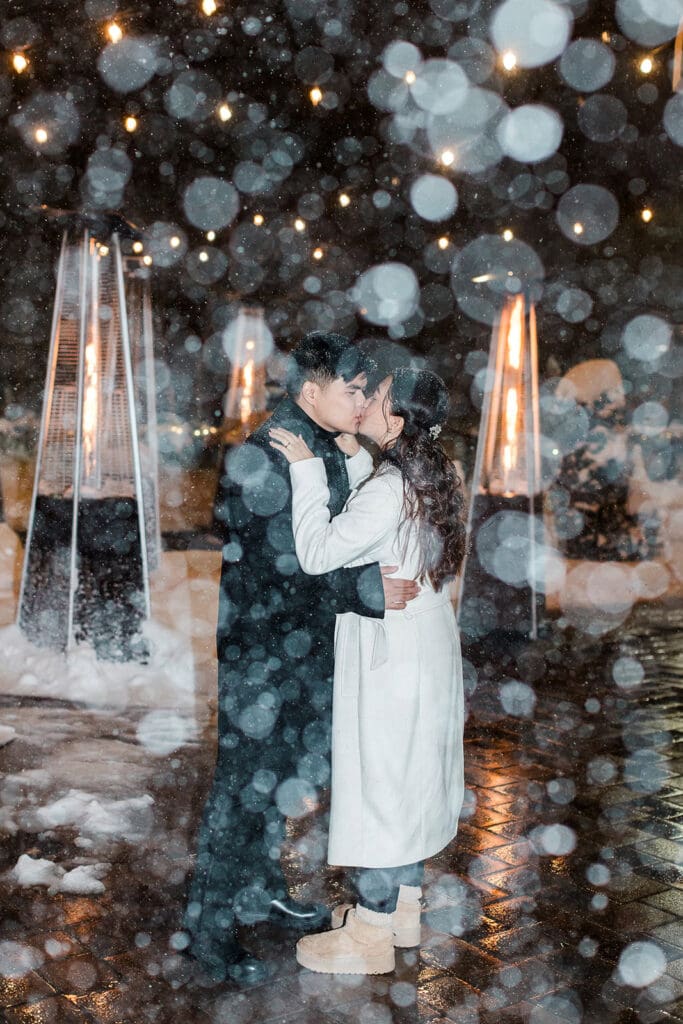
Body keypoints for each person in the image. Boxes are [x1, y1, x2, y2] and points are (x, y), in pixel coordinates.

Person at [184, 333, 419, 985]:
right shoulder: (264, 454)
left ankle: (262, 892)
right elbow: (279, 564)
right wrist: (363, 587)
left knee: (274, 784)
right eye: (352, 390)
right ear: (311, 391)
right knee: (242, 791)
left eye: (367, 391)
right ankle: (207, 931)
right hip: (262, 657)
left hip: (301, 651)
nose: (363, 401)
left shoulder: (324, 444)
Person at [269, 366, 467, 975]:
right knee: (410, 781)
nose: (363, 402)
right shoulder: (429, 474)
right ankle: (402, 910)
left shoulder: (392, 488)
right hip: (426, 645)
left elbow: (318, 552)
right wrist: (357, 456)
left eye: (376, 397)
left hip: (391, 653)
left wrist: (307, 470)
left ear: (398, 418)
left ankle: (370, 936)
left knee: (384, 788)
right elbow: (381, 522)